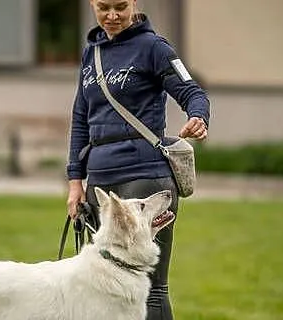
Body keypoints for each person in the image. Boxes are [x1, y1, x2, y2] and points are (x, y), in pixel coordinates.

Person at [66, 0, 210, 319]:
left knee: (151, 289)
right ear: (93, 5)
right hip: (100, 184)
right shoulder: (93, 53)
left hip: (144, 176)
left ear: (134, 3)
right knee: (104, 289)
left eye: (121, 6)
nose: (112, 15)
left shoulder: (154, 48)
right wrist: (75, 181)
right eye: (104, 7)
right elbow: (80, 118)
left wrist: (198, 117)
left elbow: (193, 92)